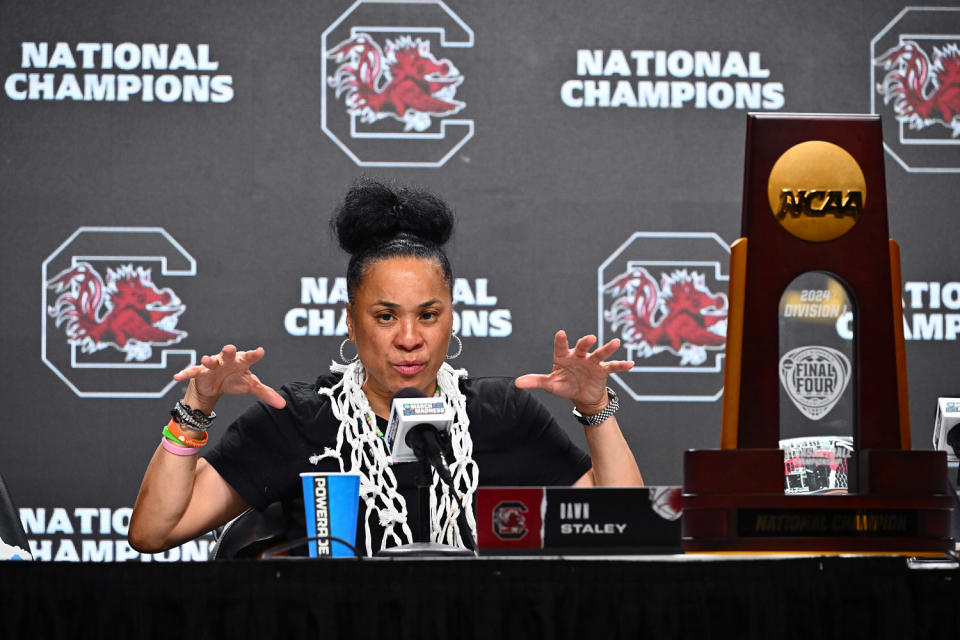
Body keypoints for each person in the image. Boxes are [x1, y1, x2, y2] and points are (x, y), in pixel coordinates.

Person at [129, 179, 643, 556]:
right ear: (352, 324)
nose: (409, 339)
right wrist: (198, 407)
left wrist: (595, 407)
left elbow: (626, 528)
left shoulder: (498, 413)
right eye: (385, 316)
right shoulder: (299, 420)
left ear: (451, 319)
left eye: (428, 314)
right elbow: (153, 532)